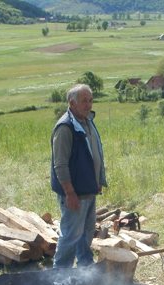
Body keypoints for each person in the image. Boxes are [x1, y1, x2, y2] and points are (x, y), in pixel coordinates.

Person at [51, 84, 107, 268]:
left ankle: (85, 268)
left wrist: (98, 180)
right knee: (71, 235)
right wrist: (70, 193)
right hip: (75, 192)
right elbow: (60, 164)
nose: (89, 104)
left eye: (90, 100)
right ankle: (60, 275)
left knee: (86, 232)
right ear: (72, 103)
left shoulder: (87, 121)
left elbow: (94, 152)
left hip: (89, 189)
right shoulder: (65, 128)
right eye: (84, 101)